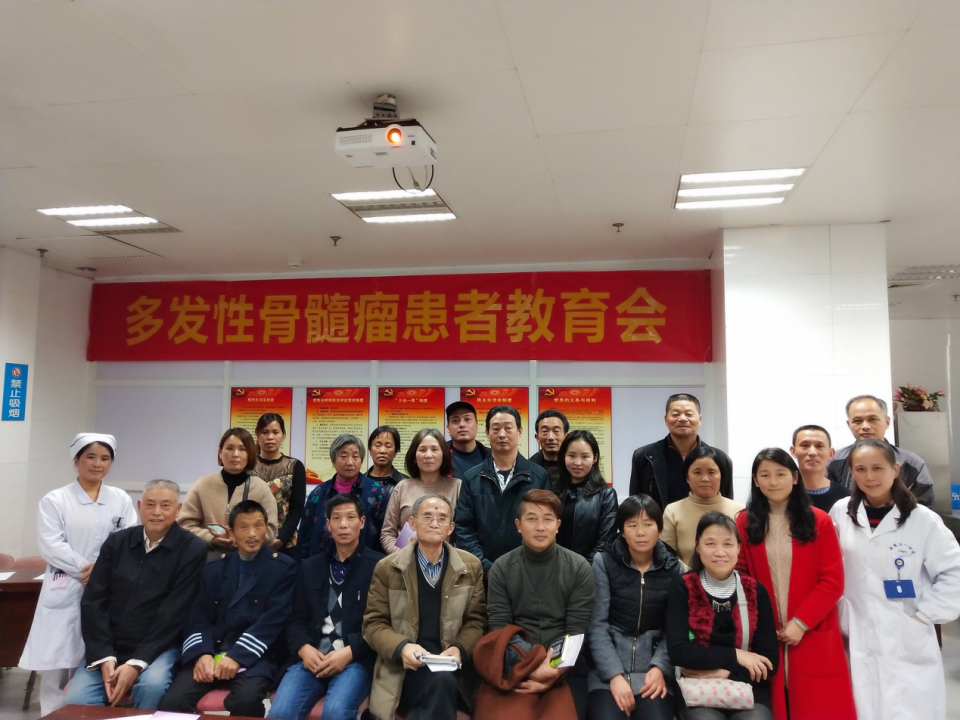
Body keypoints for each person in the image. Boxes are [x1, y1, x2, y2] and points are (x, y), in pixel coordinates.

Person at [830, 439, 960, 720]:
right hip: (856, 629)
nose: (869, 476)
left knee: (910, 707)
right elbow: (829, 567)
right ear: (851, 472)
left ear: (895, 469)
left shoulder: (922, 519)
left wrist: (924, 616)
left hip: (906, 630)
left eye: (878, 467)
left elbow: (953, 572)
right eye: (861, 469)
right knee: (860, 703)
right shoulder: (841, 512)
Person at [20, 433, 137, 716]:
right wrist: (88, 569)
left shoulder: (120, 498)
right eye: (90, 457)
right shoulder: (55, 499)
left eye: (105, 458)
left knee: (93, 663)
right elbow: (52, 545)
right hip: (67, 586)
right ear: (76, 460)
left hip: (107, 589)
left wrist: (102, 570)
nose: (98, 464)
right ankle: (51, 715)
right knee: (56, 667)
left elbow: (128, 539)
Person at [65, 479, 207, 710]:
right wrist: (104, 656)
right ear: (139, 507)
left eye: (165, 505)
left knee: (152, 687)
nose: (157, 512)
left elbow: (174, 613)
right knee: (75, 701)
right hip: (109, 646)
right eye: (150, 504)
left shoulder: (192, 549)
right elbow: (94, 600)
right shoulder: (117, 543)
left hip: (159, 647)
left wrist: (137, 662)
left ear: (178, 509)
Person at [735, 449, 855, 720]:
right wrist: (761, 621)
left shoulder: (818, 520)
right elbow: (741, 575)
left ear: (795, 478)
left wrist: (801, 622)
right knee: (773, 702)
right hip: (767, 631)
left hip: (812, 629)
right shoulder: (745, 522)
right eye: (765, 475)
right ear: (755, 481)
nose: (773, 482)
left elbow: (833, 580)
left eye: (781, 474)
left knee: (818, 706)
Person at [159, 500, 297, 717]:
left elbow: (273, 621)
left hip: (255, 656)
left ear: (267, 528)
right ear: (231, 531)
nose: (252, 534)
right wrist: (202, 654)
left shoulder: (283, 568)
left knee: (246, 700)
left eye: (258, 526)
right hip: (212, 650)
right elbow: (198, 617)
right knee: (172, 702)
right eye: (244, 527)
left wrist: (237, 656)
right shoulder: (214, 568)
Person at [363, 494, 486, 720]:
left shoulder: (470, 566)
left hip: (453, 667)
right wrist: (402, 648)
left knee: (443, 682)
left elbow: (476, 620)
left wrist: (460, 648)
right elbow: (373, 624)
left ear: (451, 528)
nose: (434, 523)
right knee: (440, 685)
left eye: (442, 518)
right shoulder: (388, 568)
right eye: (427, 517)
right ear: (412, 523)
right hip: (404, 669)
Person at [268, 494, 383, 720]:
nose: (343, 524)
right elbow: (296, 618)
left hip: (354, 659)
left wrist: (350, 652)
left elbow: (382, 624)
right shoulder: (310, 566)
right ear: (328, 525)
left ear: (361, 522)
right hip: (312, 656)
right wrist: (304, 648)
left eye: (350, 517)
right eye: (336, 518)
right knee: (280, 713)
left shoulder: (379, 566)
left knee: (335, 712)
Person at [485, 489, 596, 720]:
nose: (540, 527)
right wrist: (532, 668)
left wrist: (552, 671)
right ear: (518, 525)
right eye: (532, 519)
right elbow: (500, 630)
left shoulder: (579, 568)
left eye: (547, 519)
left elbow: (576, 631)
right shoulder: (501, 568)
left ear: (558, 525)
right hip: (514, 664)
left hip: (565, 667)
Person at [666, 512, 779, 720]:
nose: (720, 552)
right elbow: (679, 651)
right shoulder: (683, 587)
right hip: (696, 688)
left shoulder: (755, 591)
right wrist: (736, 656)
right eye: (710, 544)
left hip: (747, 687)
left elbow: (769, 662)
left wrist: (724, 672)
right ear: (697, 546)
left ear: (738, 548)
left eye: (728, 544)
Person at [587, 494, 682, 720]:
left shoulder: (675, 569)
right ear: (622, 530)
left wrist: (660, 667)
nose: (640, 532)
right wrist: (614, 675)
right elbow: (597, 625)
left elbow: (674, 630)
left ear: (659, 529)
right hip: (607, 671)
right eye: (632, 525)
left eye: (648, 524)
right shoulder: (603, 562)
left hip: (652, 671)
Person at [455, 405, 553, 572]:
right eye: (496, 429)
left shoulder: (539, 476)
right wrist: (485, 567)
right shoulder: (472, 477)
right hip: (483, 572)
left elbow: (544, 524)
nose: (502, 434)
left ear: (519, 431)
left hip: (528, 570)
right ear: (487, 433)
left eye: (508, 428)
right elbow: (464, 528)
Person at [178, 427, 278, 559]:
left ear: (250, 454)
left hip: (249, 562)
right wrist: (211, 539)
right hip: (208, 562)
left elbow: (270, 530)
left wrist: (241, 539)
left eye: (242, 449)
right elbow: (184, 525)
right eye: (229, 448)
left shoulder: (261, 488)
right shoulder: (203, 485)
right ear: (220, 453)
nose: (235, 454)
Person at [629, 393, 734, 509]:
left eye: (689, 414)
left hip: (706, 520)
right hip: (660, 521)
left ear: (700, 419)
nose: (682, 419)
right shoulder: (644, 456)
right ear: (666, 419)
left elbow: (727, 503)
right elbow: (635, 506)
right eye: (675, 414)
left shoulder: (720, 459)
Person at [827, 394, 934, 507]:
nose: (865, 426)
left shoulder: (912, 463)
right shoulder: (834, 461)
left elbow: (924, 507)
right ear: (849, 425)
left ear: (887, 422)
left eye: (872, 419)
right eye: (857, 421)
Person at [299, 434, 387, 558]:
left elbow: (384, 535)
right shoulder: (318, 493)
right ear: (333, 461)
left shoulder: (377, 492)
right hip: (322, 563)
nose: (350, 462)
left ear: (361, 461)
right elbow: (304, 534)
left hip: (366, 564)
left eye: (355, 456)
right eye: (344, 456)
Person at [380, 428, 462, 554]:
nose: (428, 455)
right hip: (404, 560)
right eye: (422, 450)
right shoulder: (402, 487)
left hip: (445, 561)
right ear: (414, 457)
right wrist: (402, 557)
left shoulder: (457, 486)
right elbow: (387, 533)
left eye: (434, 449)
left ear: (443, 455)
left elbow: (465, 532)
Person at [661, 446, 744, 567]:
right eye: (697, 472)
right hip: (684, 578)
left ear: (721, 476)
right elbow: (667, 555)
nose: (705, 479)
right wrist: (692, 576)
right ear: (687, 477)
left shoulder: (740, 511)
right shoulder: (672, 511)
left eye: (711, 472)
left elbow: (744, 556)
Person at [555, 429, 617, 564]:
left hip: (589, 569)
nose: (578, 462)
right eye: (572, 456)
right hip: (556, 567)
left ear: (595, 458)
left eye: (585, 457)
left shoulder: (606, 495)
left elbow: (605, 541)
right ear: (564, 456)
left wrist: (584, 568)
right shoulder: (554, 491)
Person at [254, 413, 306, 553]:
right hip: (252, 538)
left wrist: (281, 539)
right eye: (265, 432)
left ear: (283, 435)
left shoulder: (295, 466)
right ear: (257, 435)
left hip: (286, 542)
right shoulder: (248, 465)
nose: (270, 437)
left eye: (275, 432)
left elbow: (297, 507)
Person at [789, 425, 849, 512]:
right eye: (805, 445)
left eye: (819, 446)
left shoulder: (846, 499)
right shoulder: (781, 494)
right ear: (793, 451)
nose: (812, 452)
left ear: (831, 453)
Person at [446, 400, 490, 479]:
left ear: (477, 425)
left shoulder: (492, 457)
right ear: (448, 428)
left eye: (467, 419)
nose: (462, 424)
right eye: (455, 420)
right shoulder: (439, 457)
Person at [529, 409, 569, 485]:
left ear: (566, 436)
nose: (550, 437)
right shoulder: (528, 468)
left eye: (556, 431)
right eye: (545, 431)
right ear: (537, 438)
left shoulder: (575, 466)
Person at [366, 425, 409, 492]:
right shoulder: (358, 482)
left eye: (388, 446)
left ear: (395, 451)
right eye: (377, 445)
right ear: (370, 450)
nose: (382, 451)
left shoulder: (407, 484)